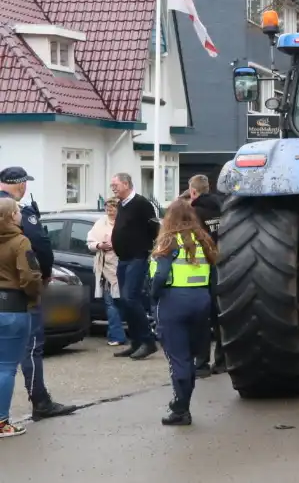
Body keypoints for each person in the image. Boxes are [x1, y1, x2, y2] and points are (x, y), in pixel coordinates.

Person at [0, 167, 78, 422]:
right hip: (17, 298)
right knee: (29, 350)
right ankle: (40, 401)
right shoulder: (17, 215)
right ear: (21, 185)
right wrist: (42, 279)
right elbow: (41, 248)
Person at [149, 199, 217, 426]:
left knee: (178, 358)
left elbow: (160, 275)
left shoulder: (169, 241)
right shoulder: (203, 240)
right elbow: (214, 277)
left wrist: (153, 295)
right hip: (201, 300)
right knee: (190, 357)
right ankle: (182, 405)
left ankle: (180, 408)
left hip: (173, 302)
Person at [0, 198, 40, 437]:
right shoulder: (20, 241)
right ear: (11, 216)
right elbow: (30, 276)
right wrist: (34, 297)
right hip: (13, 307)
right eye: (17, 211)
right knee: (6, 367)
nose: (20, 215)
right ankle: (2, 422)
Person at [109, 172, 159, 360]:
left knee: (131, 298)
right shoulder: (122, 204)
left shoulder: (142, 204)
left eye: (116, 185)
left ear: (127, 184)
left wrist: (146, 249)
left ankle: (148, 341)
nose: (113, 188)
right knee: (125, 301)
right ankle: (136, 342)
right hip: (123, 258)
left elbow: (154, 228)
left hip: (137, 257)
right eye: (112, 185)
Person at [187, 175, 225, 377]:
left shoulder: (193, 213)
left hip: (201, 269)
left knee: (202, 318)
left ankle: (201, 364)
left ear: (193, 191)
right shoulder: (222, 209)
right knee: (220, 316)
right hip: (224, 267)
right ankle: (222, 361)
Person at [87, 199, 126, 347]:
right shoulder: (100, 223)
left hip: (122, 265)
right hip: (105, 269)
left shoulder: (123, 222)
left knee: (122, 301)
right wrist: (99, 245)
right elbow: (90, 243)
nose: (110, 210)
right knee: (111, 302)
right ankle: (116, 335)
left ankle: (117, 333)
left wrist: (116, 245)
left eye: (113, 207)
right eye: (107, 207)